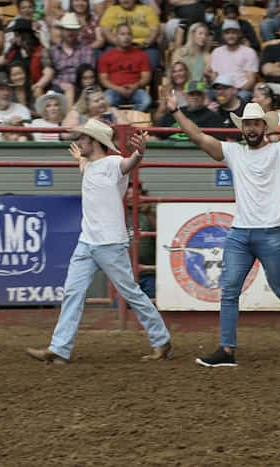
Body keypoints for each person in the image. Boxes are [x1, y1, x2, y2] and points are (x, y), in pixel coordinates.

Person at [164, 84, 280, 367]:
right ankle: (227, 349)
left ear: (264, 126)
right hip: (241, 232)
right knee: (229, 290)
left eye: (255, 124)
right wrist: (176, 111)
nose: (251, 128)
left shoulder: (278, 152)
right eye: (247, 124)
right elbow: (198, 137)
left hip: (270, 230)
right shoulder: (234, 152)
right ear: (243, 127)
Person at [26, 120, 173, 364]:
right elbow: (86, 167)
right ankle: (59, 349)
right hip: (88, 242)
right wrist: (80, 159)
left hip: (110, 244)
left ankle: (161, 340)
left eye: (83, 139)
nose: (79, 141)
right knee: (74, 292)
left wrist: (140, 152)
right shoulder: (91, 165)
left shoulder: (114, 164)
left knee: (130, 293)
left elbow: (130, 163)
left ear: (94, 142)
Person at [98, 23, 152, 111]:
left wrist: (135, 86)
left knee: (146, 101)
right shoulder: (106, 56)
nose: (126, 37)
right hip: (114, 90)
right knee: (106, 100)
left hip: (135, 90)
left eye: (129, 34)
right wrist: (118, 89)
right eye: (122, 34)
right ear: (116, 36)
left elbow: (146, 77)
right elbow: (103, 80)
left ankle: (131, 119)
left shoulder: (141, 55)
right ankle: (118, 120)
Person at [210, 19, 259, 103]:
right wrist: (221, 91)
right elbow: (214, 76)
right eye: (227, 33)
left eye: (234, 32)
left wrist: (234, 91)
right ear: (222, 35)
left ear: (239, 34)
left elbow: (251, 80)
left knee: (243, 96)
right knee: (206, 94)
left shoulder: (249, 52)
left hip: (240, 91)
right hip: (220, 91)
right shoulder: (216, 52)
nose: (230, 36)